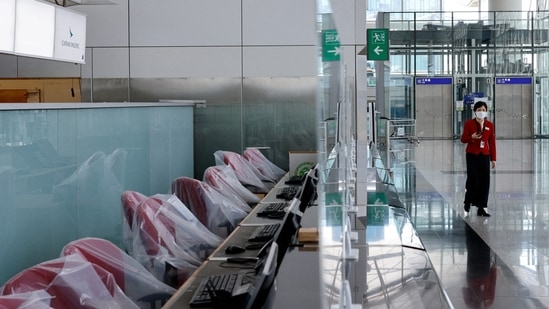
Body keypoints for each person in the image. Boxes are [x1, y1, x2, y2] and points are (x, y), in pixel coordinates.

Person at [461, 101, 496, 217]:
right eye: (479, 110)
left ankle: (482, 207)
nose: (481, 112)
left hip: (484, 155)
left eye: (483, 110)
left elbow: (492, 142)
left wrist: (493, 159)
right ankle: (468, 201)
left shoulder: (489, 125)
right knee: (473, 180)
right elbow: (463, 139)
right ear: (475, 111)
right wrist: (471, 137)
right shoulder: (469, 124)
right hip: (472, 154)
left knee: (485, 181)